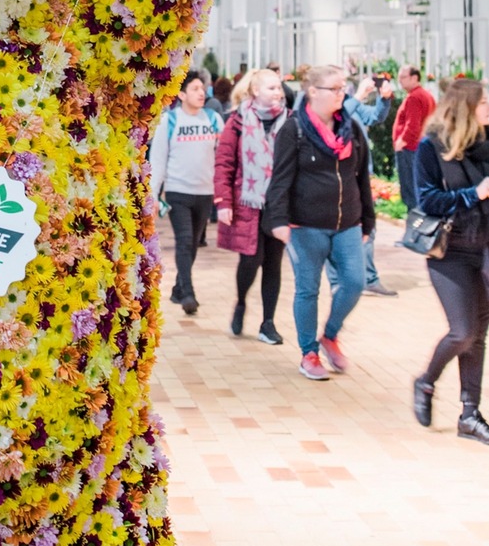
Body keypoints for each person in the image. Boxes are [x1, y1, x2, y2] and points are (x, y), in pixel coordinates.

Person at [266, 64, 375, 381]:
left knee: (355, 282)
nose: (343, 94)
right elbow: (280, 180)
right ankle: (309, 353)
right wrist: (279, 220)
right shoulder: (294, 130)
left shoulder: (350, 128)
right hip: (305, 226)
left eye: (344, 88)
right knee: (307, 290)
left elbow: (361, 178)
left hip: (348, 223)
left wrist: (367, 221)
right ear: (313, 91)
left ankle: (330, 335)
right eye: (336, 88)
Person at [412, 79, 489, 445]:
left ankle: (469, 414)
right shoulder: (431, 148)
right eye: (484, 103)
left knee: (479, 335)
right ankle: (426, 382)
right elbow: (427, 201)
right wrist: (475, 193)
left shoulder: (486, 143)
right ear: (466, 107)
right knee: (463, 331)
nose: (488, 109)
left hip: (484, 249)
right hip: (449, 251)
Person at [214, 68, 289, 344]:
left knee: (273, 262)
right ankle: (241, 301)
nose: (277, 93)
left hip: (278, 204)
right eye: (271, 88)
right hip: (248, 201)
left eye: (279, 88)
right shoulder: (237, 122)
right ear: (255, 91)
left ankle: (268, 323)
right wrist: (223, 201)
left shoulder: (289, 121)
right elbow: (224, 163)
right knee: (250, 260)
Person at [149, 69, 223, 314]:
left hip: (205, 192)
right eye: (195, 89)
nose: (201, 93)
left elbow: (222, 158)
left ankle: (178, 288)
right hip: (177, 191)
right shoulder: (169, 121)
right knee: (184, 241)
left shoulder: (213, 120)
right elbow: (158, 161)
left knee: (192, 245)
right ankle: (188, 294)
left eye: (202, 89)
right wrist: (154, 196)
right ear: (181, 94)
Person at [339, 74, 397, 297]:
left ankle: (368, 278)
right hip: (340, 177)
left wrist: (385, 99)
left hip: (361, 175)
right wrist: (361, 95)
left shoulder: (349, 101)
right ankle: (350, 280)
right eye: (338, 85)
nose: (342, 88)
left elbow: (375, 117)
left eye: (343, 85)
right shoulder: (326, 109)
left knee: (366, 228)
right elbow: (340, 119)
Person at [393, 64, 437, 212]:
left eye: (403, 77)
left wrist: (401, 141)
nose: (400, 81)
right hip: (420, 148)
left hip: (410, 149)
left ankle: (415, 226)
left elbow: (412, 125)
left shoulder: (415, 97)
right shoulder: (426, 95)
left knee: (410, 190)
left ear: (414, 78)